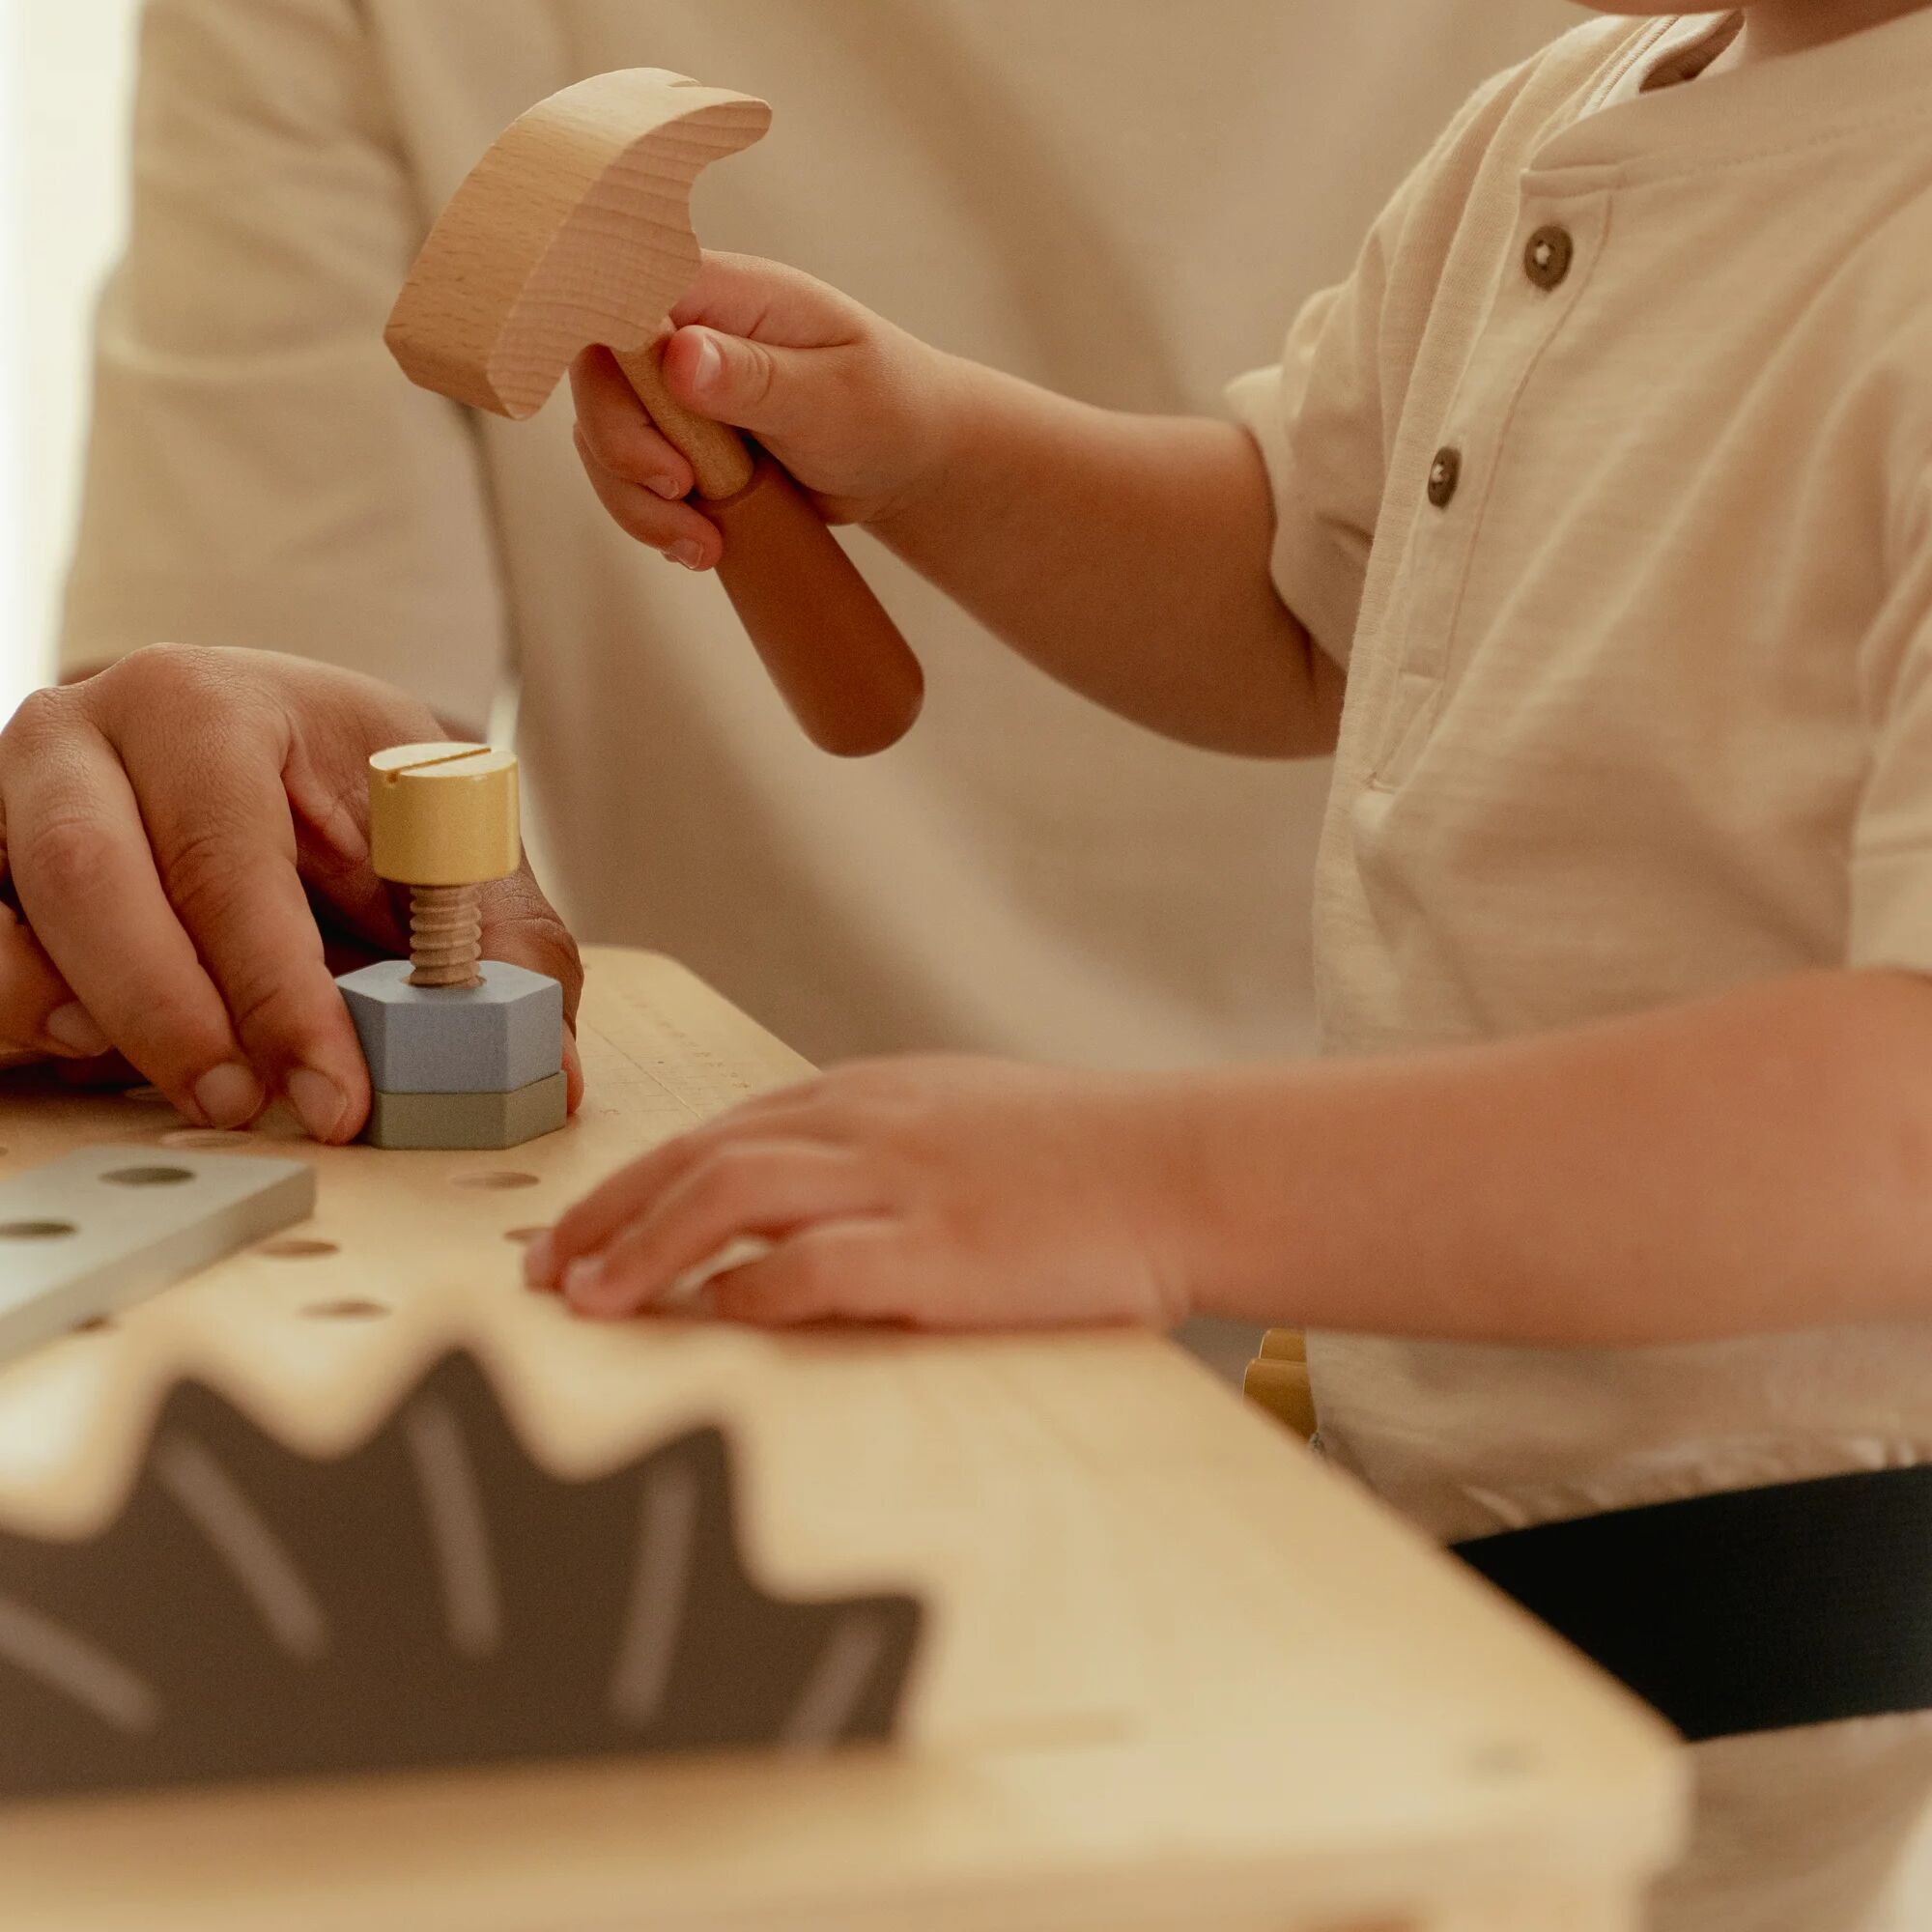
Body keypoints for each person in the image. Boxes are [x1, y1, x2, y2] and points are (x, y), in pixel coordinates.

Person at [518, 4, 1932, 1927]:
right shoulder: (1562, 113)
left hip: (1766, 1657)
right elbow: (1292, 591)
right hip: (1434, 1556)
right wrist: (925, 445)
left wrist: (1141, 1183)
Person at [53, 0, 1565, 1094]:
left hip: (1518, 1296)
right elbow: (1297, 580)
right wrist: (184, 817)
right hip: (748, 1205)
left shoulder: (1666, 77)